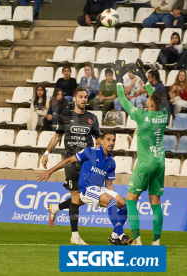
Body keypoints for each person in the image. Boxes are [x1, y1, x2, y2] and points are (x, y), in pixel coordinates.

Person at [37, 132, 133, 245]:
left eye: (113, 140)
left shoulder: (111, 162)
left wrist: (110, 196)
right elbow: (68, 160)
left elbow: (109, 185)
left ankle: (114, 237)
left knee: (125, 205)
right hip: (87, 189)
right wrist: (49, 171)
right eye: (108, 139)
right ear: (101, 141)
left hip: (100, 189)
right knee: (110, 202)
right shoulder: (90, 152)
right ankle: (121, 235)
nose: (111, 142)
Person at [36, 87, 102, 245]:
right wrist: (46, 152)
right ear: (74, 99)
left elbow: (98, 139)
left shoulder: (92, 118)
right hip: (71, 163)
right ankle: (75, 236)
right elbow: (57, 137)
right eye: (81, 97)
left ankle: (55, 208)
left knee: (82, 199)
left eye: (86, 97)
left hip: (87, 164)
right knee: (75, 198)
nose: (84, 100)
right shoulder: (65, 117)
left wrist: (97, 154)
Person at [114, 59, 169, 245]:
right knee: (155, 202)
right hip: (160, 163)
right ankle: (156, 241)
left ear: (152, 104)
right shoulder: (163, 116)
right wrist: (145, 78)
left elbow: (122, 99)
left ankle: (137, 239)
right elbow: (156, 96)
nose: (146, 98)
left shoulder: (142, 116)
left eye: (148, 98)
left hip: (144, 163)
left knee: (130, 200)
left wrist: (119, 78)